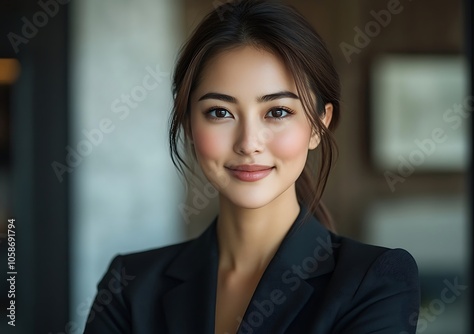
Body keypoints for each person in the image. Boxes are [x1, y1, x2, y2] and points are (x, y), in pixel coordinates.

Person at [83, 0, 420, 333]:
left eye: (277, 112)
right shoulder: (129, 286)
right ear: (187, 123)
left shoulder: (374, 281)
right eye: (220, 112)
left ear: (319, 124)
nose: (248, 142)